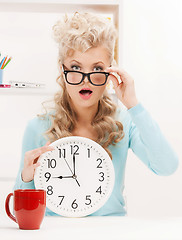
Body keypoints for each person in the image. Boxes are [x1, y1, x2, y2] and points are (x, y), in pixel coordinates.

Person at [13, 12, 179, 216]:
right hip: (55, 231)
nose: (86, 79)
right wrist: (27, 176)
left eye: (97, 68)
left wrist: (133, 104)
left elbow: (167, 166)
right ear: (62, 70)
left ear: (111, 72)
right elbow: (20, 208)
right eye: (75, 67)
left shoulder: (124, 122)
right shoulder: (38, 127)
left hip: (110, 231)